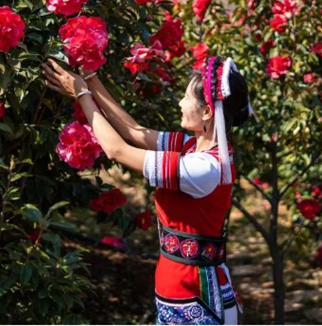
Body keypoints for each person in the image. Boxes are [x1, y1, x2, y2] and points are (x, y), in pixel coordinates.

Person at [41, 56, 253, 325]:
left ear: (208, 112)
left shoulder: (203, 168)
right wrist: (91, 79)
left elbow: (118, 150)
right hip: (180, 288)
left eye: (186, 97)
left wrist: (82, 94)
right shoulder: (191, 147)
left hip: (195, 297)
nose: (180, 103)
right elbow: (133, 131)